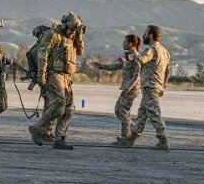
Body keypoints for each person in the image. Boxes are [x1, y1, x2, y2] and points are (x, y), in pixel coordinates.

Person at [29, 12, 85, 150]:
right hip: (54, 75)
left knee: (69, 109)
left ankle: (60, 138)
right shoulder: (53, 35)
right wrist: (41, 74)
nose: (73, 32)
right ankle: (38, 128)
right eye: (72, 29)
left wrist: (78, 34)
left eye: (75, 30)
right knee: (59, 105)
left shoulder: (72, 37)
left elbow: (81, 51)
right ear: (65, 25)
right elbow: (43, 53)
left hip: (67, 78)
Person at [115, 25, 171, 150]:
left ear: (151, 35)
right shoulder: (165, 51)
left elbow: (143, 59)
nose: (143, 36)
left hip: (149, 86)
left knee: (154, 113)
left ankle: (163, 140)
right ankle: (130, 140)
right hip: (154, 87)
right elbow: (168, 71)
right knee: (142, 115)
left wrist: (128, 57)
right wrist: (162, 86)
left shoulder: (152, 49)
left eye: (145, 33)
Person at [90, 34, 142, 143]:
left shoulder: (136, 57)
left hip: (131, 89)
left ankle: (125, 138)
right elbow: (115, 67)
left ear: (131, 44)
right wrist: (100, 65)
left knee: (123, 112)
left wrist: (127, 89)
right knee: (118, 110)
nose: (122, 44)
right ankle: (134, 130)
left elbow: (137, 75)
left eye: (124, 42)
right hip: (127, 88)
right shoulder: (128, 56)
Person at [27, 24, 54, 142]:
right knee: (52, 107)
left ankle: (46, 132)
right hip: (49, 80)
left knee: (49, 106)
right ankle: (43, 130)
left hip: (44, 81)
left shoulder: (33, 49)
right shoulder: (42, 48)